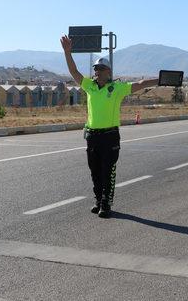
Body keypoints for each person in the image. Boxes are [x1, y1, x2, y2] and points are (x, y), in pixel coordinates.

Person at [61, 35, 159, 218]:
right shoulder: (89, 86)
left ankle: (106, 203)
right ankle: (98, 200)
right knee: (95, 170)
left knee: (108, 170)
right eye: (95, 69)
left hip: (110, 136)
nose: (97, 72)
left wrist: (159, 79)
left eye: (100, 69)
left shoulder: (117, 88)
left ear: (108, 72)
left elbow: (140, 84)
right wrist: (68, 52)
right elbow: (74, 71)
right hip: (92, 136)